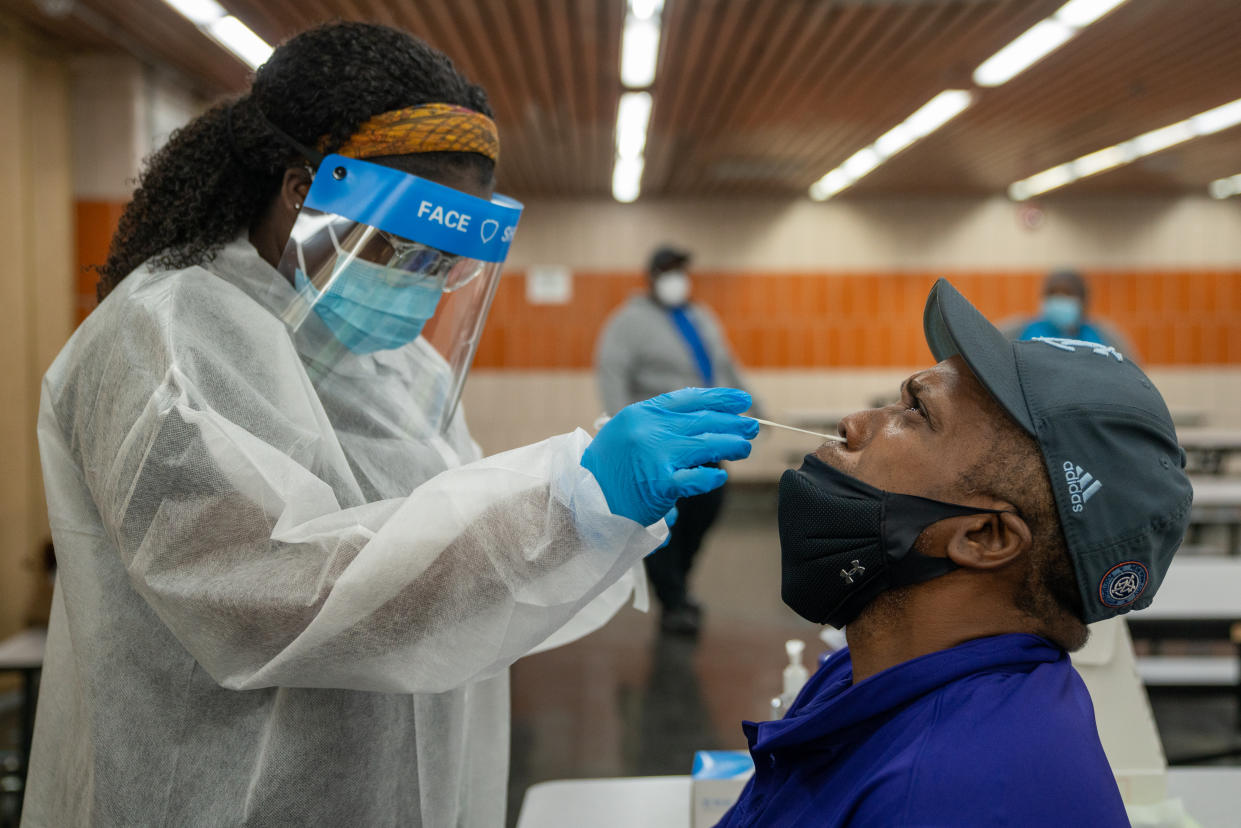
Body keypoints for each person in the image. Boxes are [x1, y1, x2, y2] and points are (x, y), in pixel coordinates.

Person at [24, 23, 759, 827]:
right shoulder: (165, 338)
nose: (421, 286)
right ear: (304, 189)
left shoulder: (401, 367)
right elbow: (273, 599)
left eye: (443, 266)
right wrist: (566, 502)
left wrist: (584, 521)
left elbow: (445, 577)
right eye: (403, 249)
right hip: (213, 792)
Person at [719, 279, 1191, 827]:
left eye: (915, 413)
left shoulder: (946, 796)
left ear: (986, 537)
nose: (854, 424)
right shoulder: (869, 675)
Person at [595, 245, 757, 635]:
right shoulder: (628, 323)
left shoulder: (699, 317)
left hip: (705, 440)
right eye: (669, 271)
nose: (677, 279)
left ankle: (678, 586)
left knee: (707, 506)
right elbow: (611, 375)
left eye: (682, 271)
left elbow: (724, 363)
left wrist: (750, 402)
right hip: (660, 442)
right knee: (664, 521)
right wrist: (623, 432)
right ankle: (673, 600)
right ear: (651, 275)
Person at [1005, 268, 1136, 354]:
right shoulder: (1017, 331)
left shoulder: (1106, 337)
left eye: (1068, 294)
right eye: (1052, 293)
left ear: (1083, 300)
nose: (1059, 299)